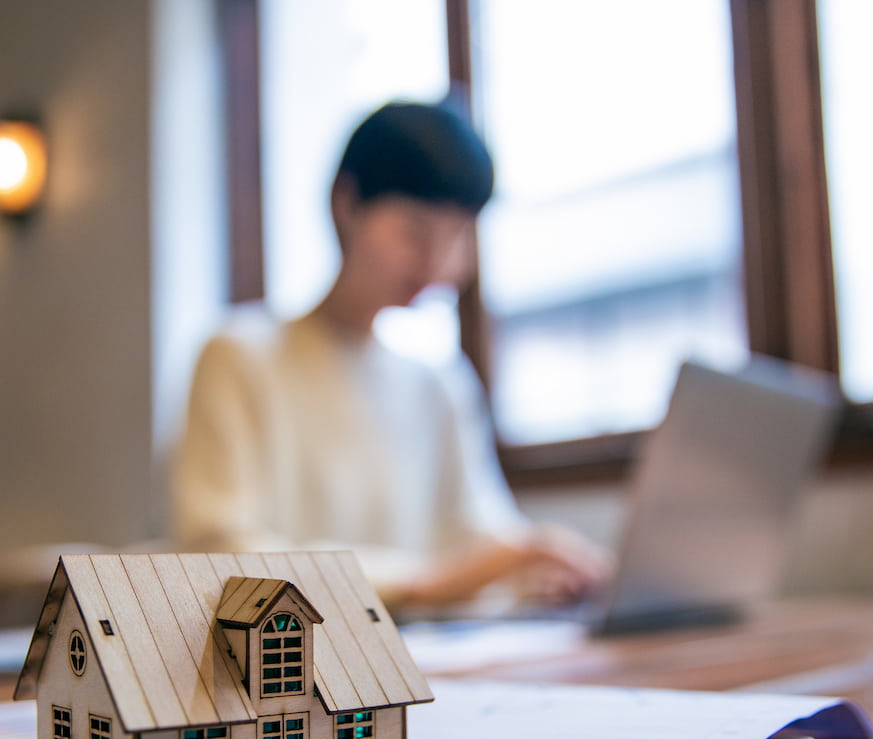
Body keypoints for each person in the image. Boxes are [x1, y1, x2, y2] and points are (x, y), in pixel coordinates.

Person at [171, 99, 607, 612]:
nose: (436, 261)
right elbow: (219, 555)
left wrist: (535, 573)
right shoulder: (240, 356)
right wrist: (427, 582)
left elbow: (482, 536)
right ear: (346, 202)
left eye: (457, 237)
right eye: (416, 232)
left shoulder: (440, 383)